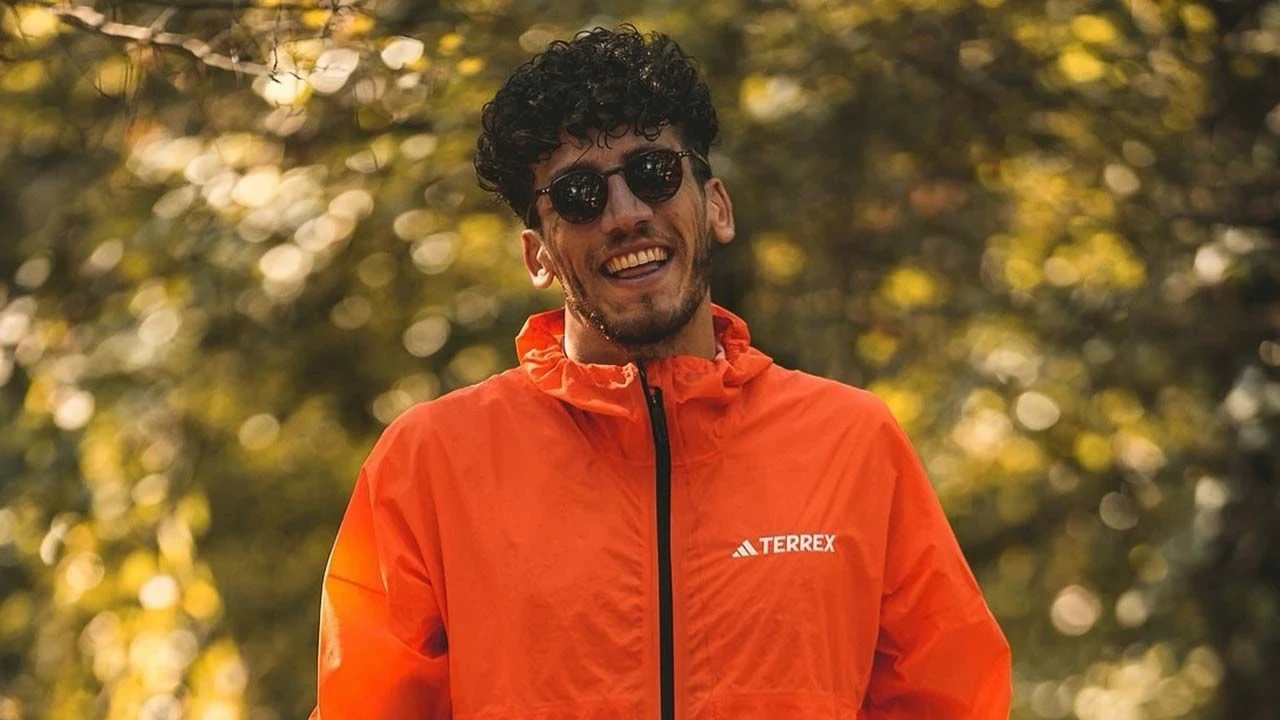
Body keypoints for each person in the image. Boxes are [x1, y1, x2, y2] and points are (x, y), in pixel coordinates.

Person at [310, 26, 1011, 720]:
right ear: (537, 254)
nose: (626, 215)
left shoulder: (853, 442)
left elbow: (952, 702)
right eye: (579, 194)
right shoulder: (430, 463)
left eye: (654, 173)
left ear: (716, 206)